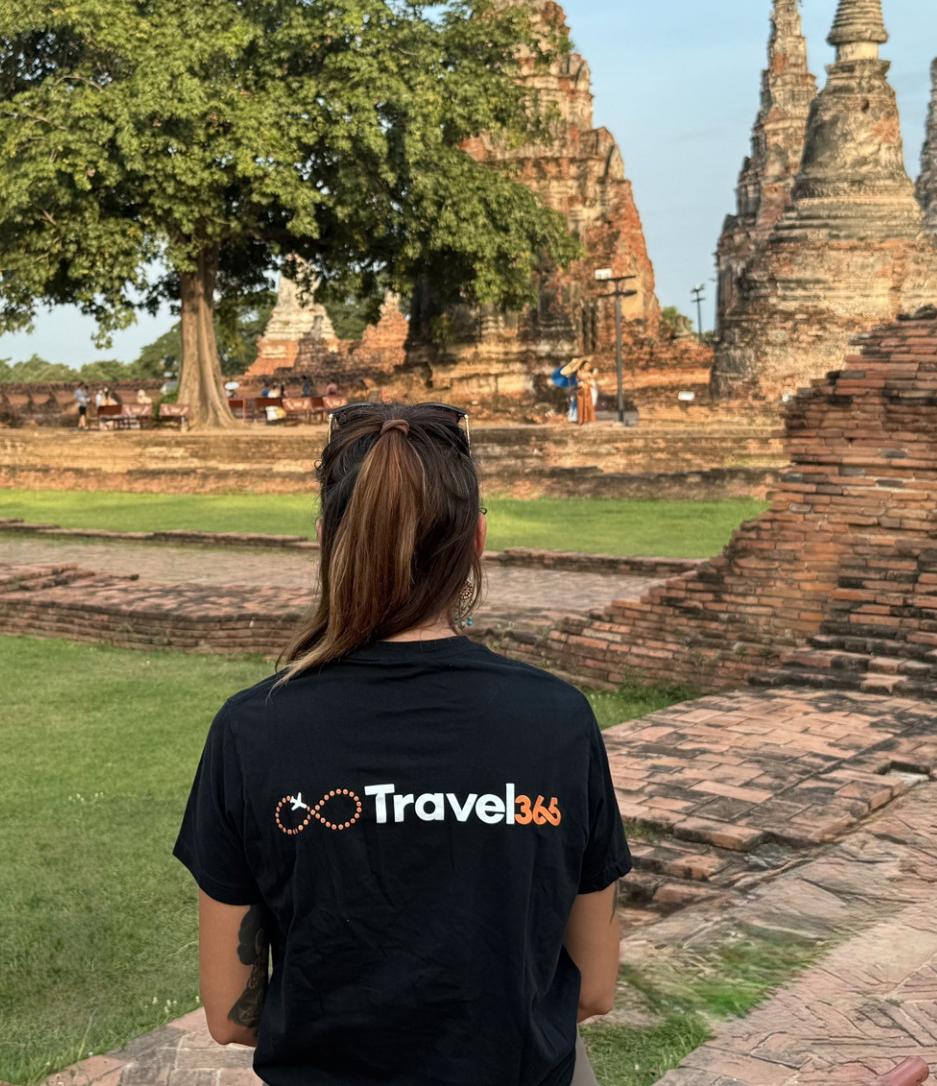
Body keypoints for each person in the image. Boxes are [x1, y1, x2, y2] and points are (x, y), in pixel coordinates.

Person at [175, 403, 628, 1084]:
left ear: (326, 536)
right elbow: (592, 989)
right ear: (477, 540)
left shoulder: (253, 730)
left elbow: (231, 1014)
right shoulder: (556, 719)